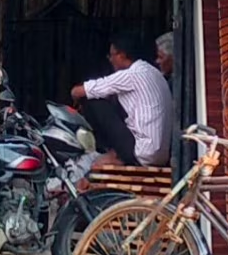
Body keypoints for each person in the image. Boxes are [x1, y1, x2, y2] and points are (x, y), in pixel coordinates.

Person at [71, 33, 173, 170]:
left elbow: (80, 91)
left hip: (143, 154)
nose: (110, 60)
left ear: (121, 55)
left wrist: (75, 99)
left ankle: (112, 154)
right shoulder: (153, 72)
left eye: (111, 55)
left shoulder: (131, 75)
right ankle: (116, 153)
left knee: (93, 100)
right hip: (161, 155)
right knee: (111, 97)